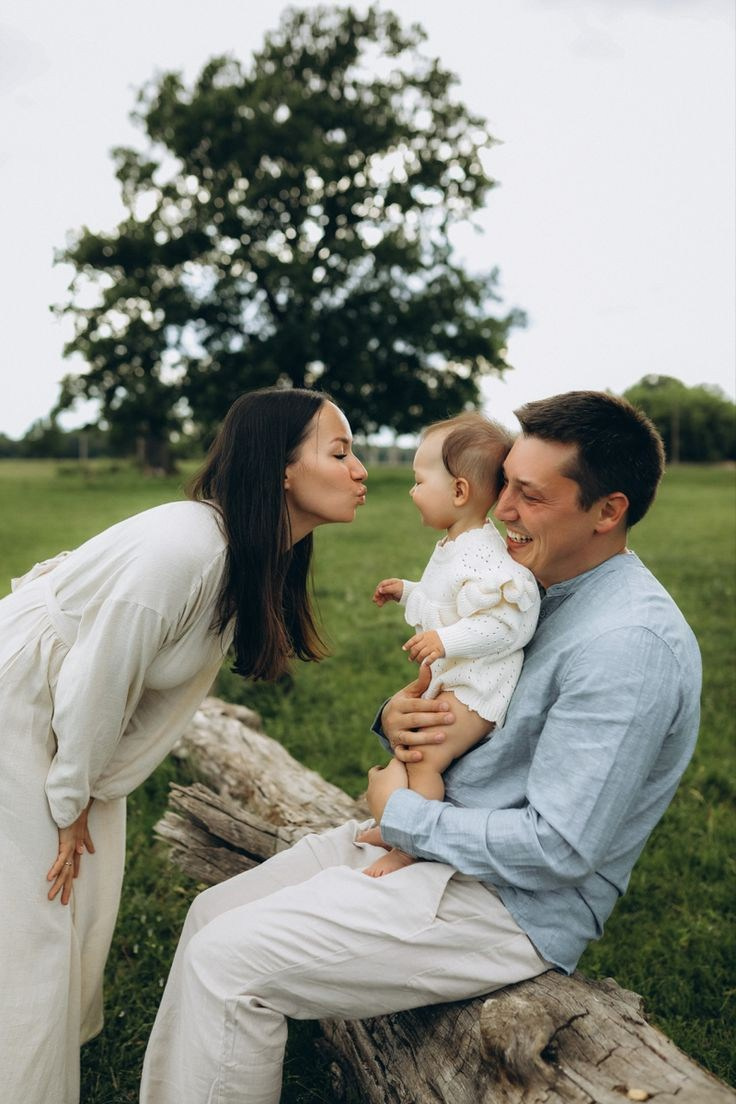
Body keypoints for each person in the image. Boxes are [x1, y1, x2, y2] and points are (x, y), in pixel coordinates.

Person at [140, 390, 701, 1104]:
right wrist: (398, 718)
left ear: (608, 511)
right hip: (437, 844)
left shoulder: (628, 644)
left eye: (528, 495)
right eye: (505, 487)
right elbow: (479, 698)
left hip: (506, 905)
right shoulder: (537, 586)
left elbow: (562, 848)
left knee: (227, 963)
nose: (502, 510)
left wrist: (403, 817)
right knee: (211, 916)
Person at [0, 387, 367, 1104]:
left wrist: (92, 791)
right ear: (283, 470)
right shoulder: (189, 546)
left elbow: (131, 694)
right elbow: (95, 679)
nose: (358, 470)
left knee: (84, 901)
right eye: (341, 451)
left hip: (69, 721)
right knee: (37, 912)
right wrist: (70, 799)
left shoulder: (246, 552)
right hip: (19, 706)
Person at [358, 413, 539, 876]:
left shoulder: (486, 554)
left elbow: (504, 624)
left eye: (420, 481)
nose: (412, 490)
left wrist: (445, 639)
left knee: (424, 757)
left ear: (459, 492)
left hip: (479, 685)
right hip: (454, 678)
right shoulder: (454, 545)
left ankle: (413, 843)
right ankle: (397, 823)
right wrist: (407, 590)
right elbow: (446, 602)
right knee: (407, 750)